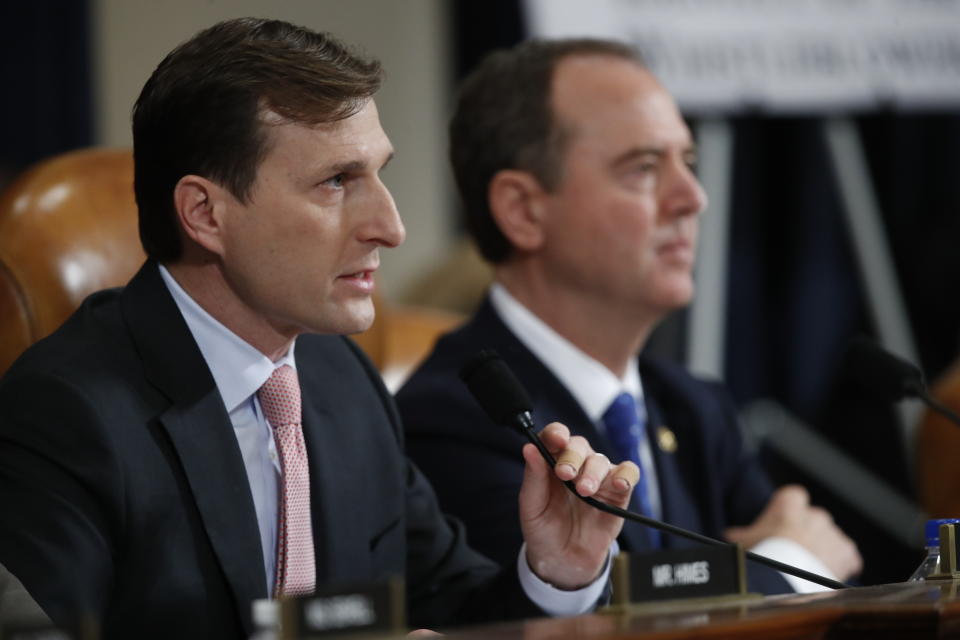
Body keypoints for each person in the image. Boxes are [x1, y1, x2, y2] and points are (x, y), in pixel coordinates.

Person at [0, 20, 638, 640]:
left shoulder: (341, 379)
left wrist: (557, 573)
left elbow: (447, 602)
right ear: (205, 214)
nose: (390, 227)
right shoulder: (65, 413)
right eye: (336, 182)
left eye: (378, 173)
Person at [396, 38, 863, 594]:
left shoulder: (694, 406)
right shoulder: (450, 416)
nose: (693, 198)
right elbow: (576, 620)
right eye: (643, 167)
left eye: (686, 163)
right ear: (523, 210)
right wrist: (787, 560)